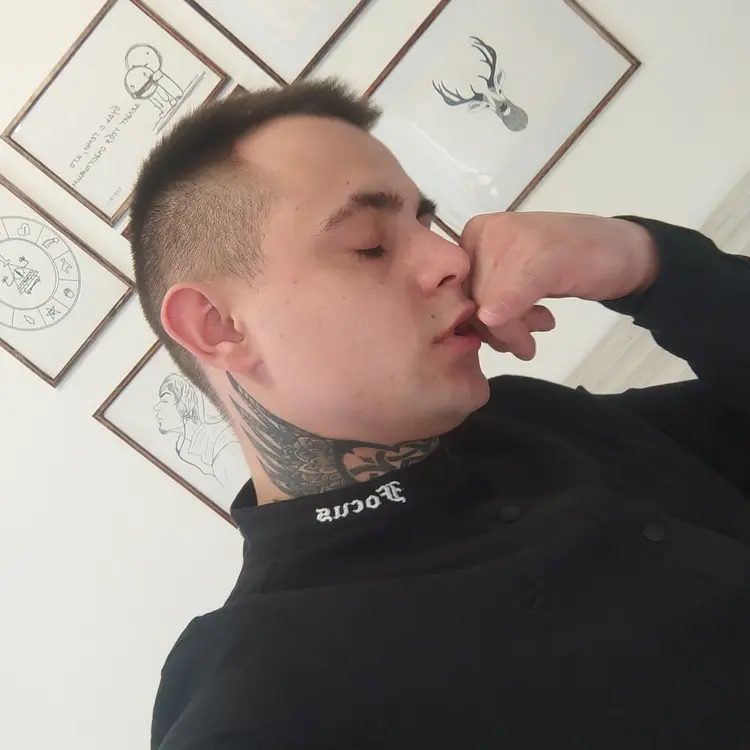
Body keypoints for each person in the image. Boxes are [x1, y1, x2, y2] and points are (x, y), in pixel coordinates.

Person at [128, 80, 750, 749]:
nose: (452, 257)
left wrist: (645, 268)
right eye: (370, 245)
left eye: (424, 223)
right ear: (217, 325)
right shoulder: (260, 695)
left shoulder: (532, 418)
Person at [154, 372, 245, 489]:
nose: (156, 407)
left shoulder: (223, 444)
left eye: (165, 400)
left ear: (184, 404)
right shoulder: (184, 447)